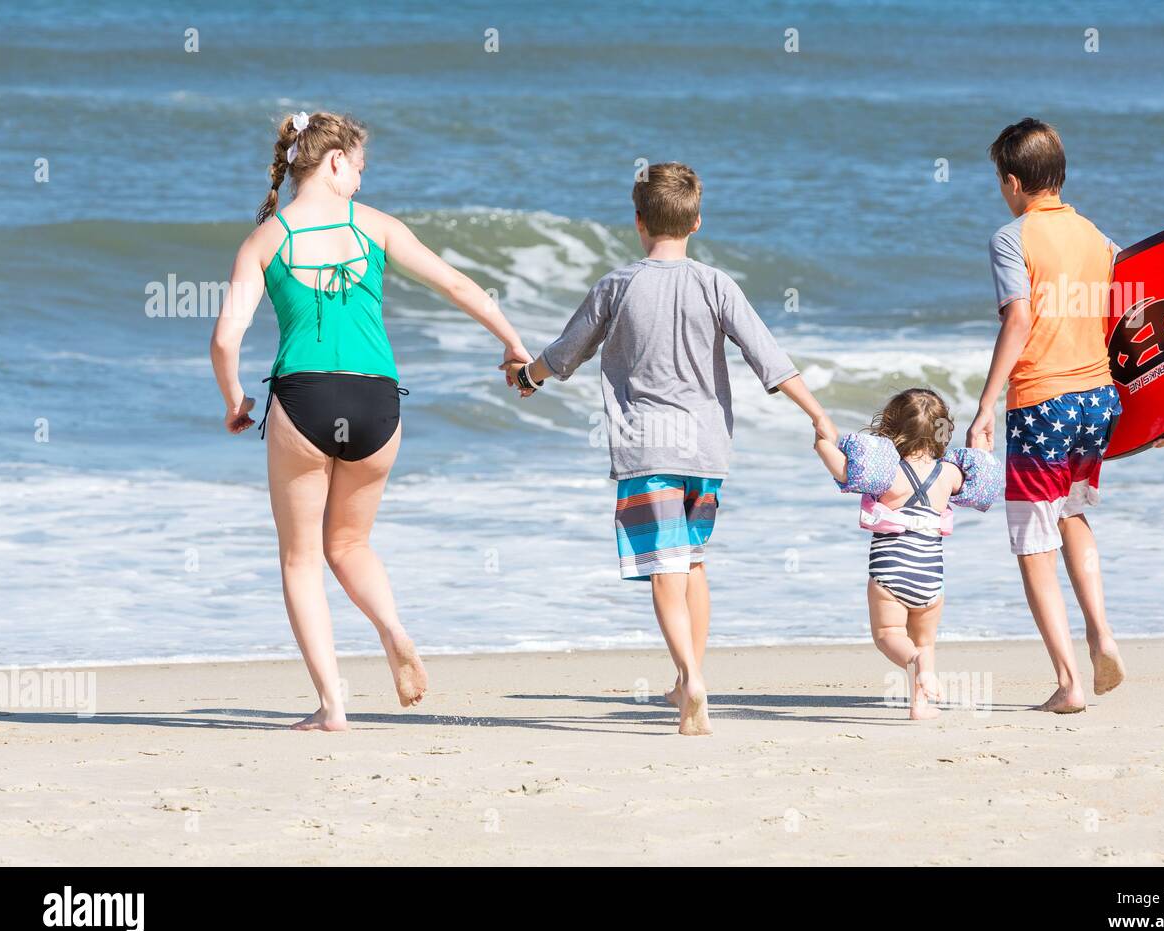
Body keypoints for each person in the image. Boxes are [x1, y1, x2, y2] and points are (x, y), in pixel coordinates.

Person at [210, 111, 532, 731]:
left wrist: (234, 401)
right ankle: (394, 630)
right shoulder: (377, 226)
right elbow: (460, 287)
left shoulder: (264, 240)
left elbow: (227, 340)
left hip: (304, 400)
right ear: (335, 162)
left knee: (301, 558)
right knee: (351, 544)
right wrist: (513, 345)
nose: (360, 179)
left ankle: (333, 705)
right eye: (359, 167)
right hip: (378, 404)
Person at [505, 162, 835, 735]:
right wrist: (818, 414)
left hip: (647, 448)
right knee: (693, 563)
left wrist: (526, 378)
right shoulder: (716, 284)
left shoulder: (617, 285)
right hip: (707, 451)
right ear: (697, 221)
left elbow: (564, 354)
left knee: (664, 568)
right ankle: (689, 677)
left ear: (637, 221)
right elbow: (770, 359)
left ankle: (690, 680)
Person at [965, 117, 1164, 713]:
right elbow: (1133, 320)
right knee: (1073, 517)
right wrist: (1160, 412)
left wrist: (985, 406)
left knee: (1032, 542)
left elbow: (1019, 320)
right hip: (1097, 401)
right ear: (1059, 175)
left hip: (1042, 402)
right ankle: (1101, 633)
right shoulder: (1095, 236)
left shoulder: (1012, 238)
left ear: (1012, 182)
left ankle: (1068, 682)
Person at [816, 389, 1002, 719]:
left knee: (889, 635)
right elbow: (979, 473)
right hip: (931, 577)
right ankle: (920, 703)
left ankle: (913, 663)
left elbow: (843, 471)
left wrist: (822, 442)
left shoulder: (886, 473)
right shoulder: (948, 474)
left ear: (889, 428)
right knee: (925, 642)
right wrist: (982, 452)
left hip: (891, 574)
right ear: (943, 431)